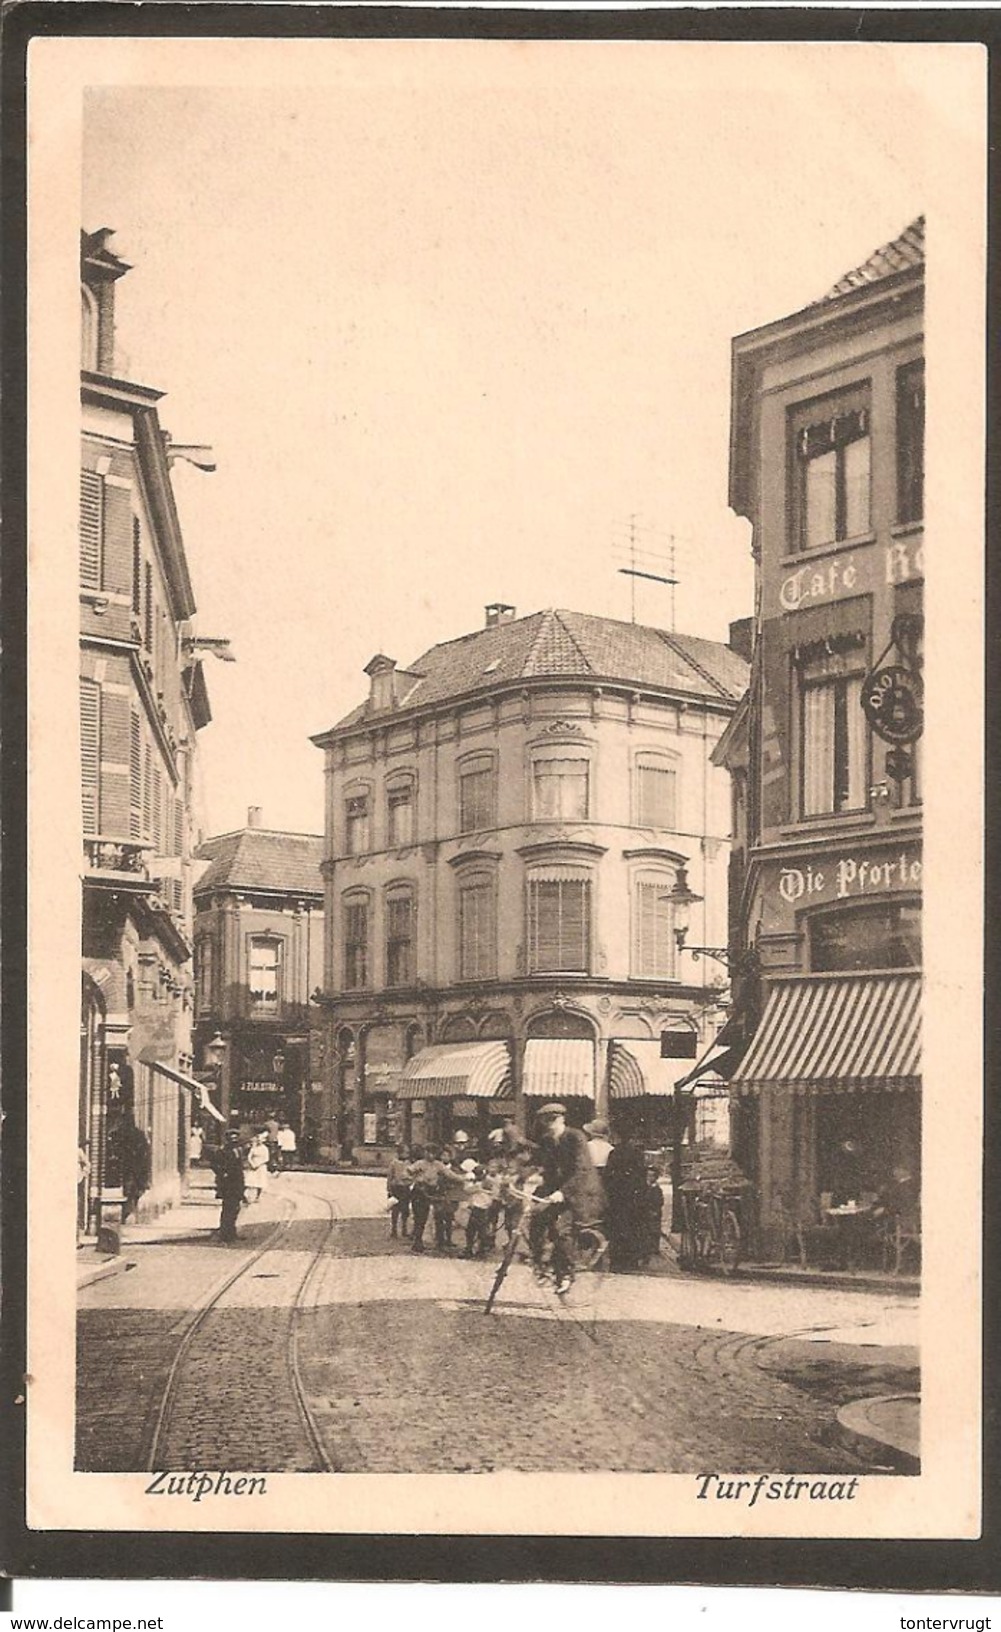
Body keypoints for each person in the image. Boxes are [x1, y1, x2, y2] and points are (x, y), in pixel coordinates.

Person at [529, 1103, 605, 1294]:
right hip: (557, 1192)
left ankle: (566, 1274)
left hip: (581, 1192)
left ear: (562, 1119)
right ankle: (540, 1264)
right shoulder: (547, 1140)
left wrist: (562, 1192)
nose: (549, 1124)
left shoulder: (575, 1137)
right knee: (535, 1217)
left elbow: (582, 1170)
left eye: (552, 1119)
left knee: (561, 1230)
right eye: (545, 1120)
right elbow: (545, 1169)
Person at [604, 1129, 647, 1271]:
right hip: (632, 1196)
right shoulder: (637, 1154)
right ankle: (631, 1260)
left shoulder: (614, 1153)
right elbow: (642, 1177)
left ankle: (616, 1260)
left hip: (616, 1196)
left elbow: (608, 1176)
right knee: (632, 1226)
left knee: (617, 1227)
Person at [408, 1145, 444, 1253]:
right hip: (419, 1192)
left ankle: (434, 1240)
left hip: (431, 1191)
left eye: (433, 1152)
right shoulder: (419, 1163)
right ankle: (417, 1241)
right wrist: (416, 1177)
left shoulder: (438, 1165)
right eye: (428, 1152)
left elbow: (450, 1174)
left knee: (430, 1215)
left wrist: (463, 1178)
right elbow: (407, 1172)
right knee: (419, 1217)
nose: (430, 1155)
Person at [215, 1131, 246, 1243]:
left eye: (236, 1140)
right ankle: (225, 1234)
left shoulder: (238, 1151)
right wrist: (223, 1174)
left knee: (235, 1209)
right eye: (232, 1140)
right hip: (227, 1184)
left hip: (237, 1184)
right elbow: (215, 1165)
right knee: (228, 1209)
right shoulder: (222, 1151)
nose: (234, 1142)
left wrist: (242, 1188)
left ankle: (232, 1233)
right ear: (227, 1140)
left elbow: (239, 1169)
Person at [121, 1121, 152, 1223]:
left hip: (135, 1170)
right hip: (133, 1171)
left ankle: (130, 1213)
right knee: (132, 1191)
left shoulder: (138, 1138)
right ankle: (130, 1213)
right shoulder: (140, 1137)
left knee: (132, 1191)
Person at [386, 1144, 413, 1239]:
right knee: (395, 1210)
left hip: (405, 1188)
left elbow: (412, 1176)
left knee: (405, 1210)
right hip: (396, 1188)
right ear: (400, 1153)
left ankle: (404, 1229)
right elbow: (390, 1177)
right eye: (406, 1152)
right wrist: (389, 1189)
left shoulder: (408, 1163)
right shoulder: (394, 1163)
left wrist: (409, 1182)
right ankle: (394, 1229)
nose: (407, 1154)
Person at [640, 1166, 665, 1264]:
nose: (649, 1178)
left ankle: (654, 1247)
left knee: (654, 1229)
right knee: (646, 1229)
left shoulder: (657, 1189)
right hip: (646, 1211)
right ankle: (646, 1248)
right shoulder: (644, 1187)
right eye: (648, 1176)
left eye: (652, 1176)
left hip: (654, 1211)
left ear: (656, 1177)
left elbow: (659, 1201)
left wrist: (655, 1210)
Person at [244, 1131, 271, 1203]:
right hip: (253, 1165)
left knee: (260, 1182)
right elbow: (249, 1156)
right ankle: (246, 1196)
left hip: (261, 1166)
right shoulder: (254, 1148)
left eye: (261, 1140)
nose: (259, 1141)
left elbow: (266, 1158)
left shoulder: (265, 1148)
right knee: (249, 1181)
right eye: (258, 1140)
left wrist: (258, 1164)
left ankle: (257, 1196)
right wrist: (252, 1163)